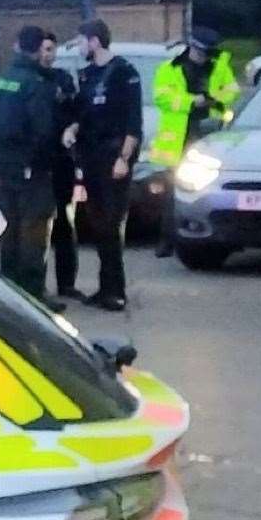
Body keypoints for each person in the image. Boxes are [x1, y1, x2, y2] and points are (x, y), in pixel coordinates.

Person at [67, 19, 145, 310]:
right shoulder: (87, 75)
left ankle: (116, 291)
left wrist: (124, 158)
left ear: (94, 41)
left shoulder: (123, 73)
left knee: (111, 225)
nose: (78, 47)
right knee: (99, 224)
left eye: (81, 41)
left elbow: (132, 122)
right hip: (91, 158)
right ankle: (104, 287)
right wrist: (72, 128)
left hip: (114, 159)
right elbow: (83, 113)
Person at [0, 25, 61, 304]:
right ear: (37, 48)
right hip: (31, 167)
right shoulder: (36, 83)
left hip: (5, 163)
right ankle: (32, 293)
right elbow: (44, 130)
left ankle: (9, 286)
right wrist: (44, 161)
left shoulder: (3, 78)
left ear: (17, 45)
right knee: (34, 229)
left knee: (10, 225)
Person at [151, 25, 240, 257]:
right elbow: (162, 98)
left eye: (207, 53)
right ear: (191, 47)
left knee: (208, 190)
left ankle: (208, 237)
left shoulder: (219, 66)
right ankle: (167, 240)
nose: (203, 57)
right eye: (199, 52)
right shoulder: (170, 69)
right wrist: (192, 101)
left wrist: (213, 99)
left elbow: (232, 92)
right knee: (173, 193)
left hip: (210, 135)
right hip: (178, 137)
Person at [39, 30, 83, 302]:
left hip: (62, 162)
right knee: (38, 228)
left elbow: (77, 112)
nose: (48, 54)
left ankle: (67, 283)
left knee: (65, 225)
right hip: (40, 163)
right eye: (44, 49)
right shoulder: (30, 81)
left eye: (51, 49)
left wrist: (73, 128)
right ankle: (38, 286)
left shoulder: (63, 80)